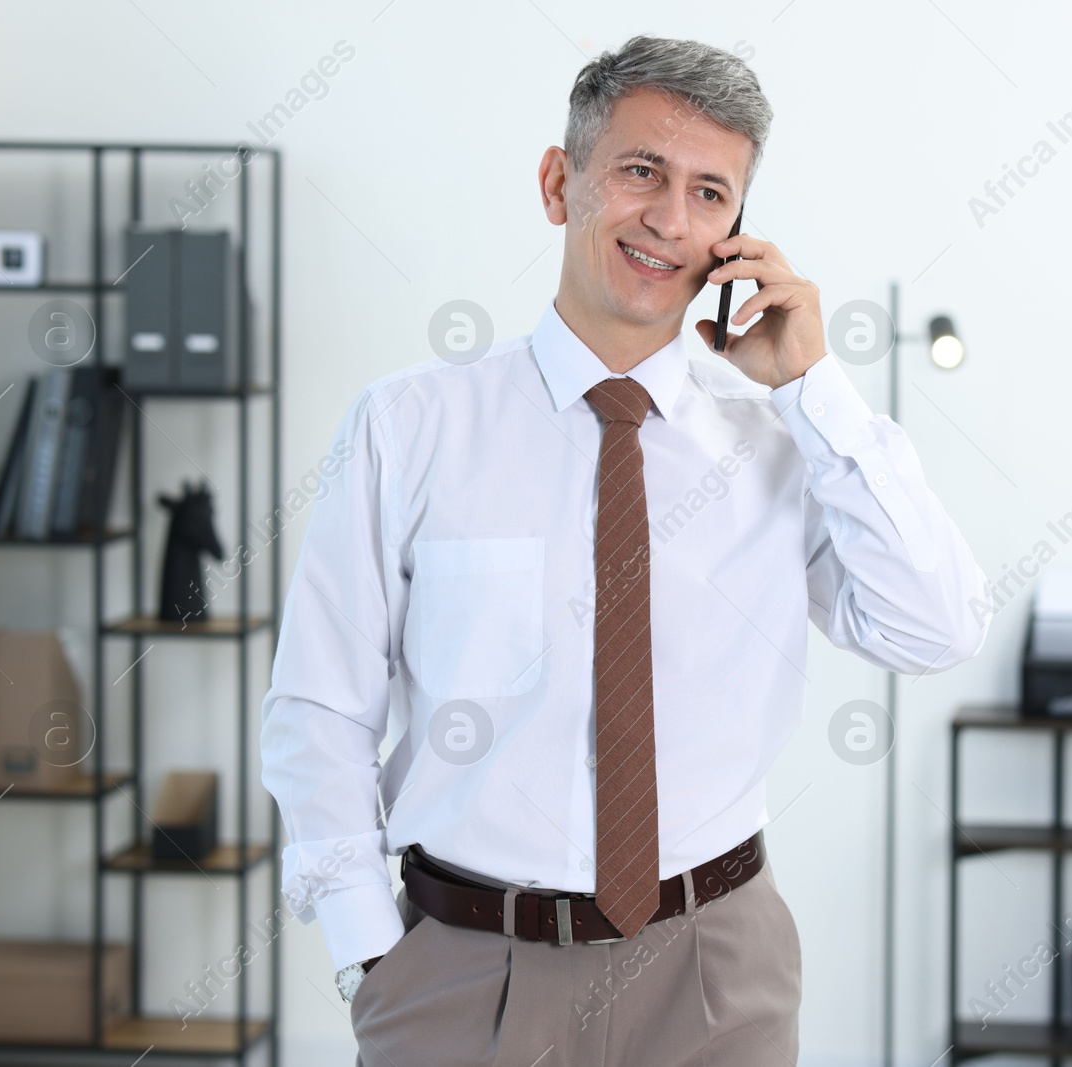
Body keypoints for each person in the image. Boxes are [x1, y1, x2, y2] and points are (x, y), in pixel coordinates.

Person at [259, 33, 989, 1067]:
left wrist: (812, 386)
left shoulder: (783, 442)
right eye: (641, 171)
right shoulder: (409, 426)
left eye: (709, 193)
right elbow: (319, 707)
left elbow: (936, 625)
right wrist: (366, 956)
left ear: (738, 232)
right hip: (464, 974)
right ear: (561, 182)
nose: (668, 219)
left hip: (714, 973)